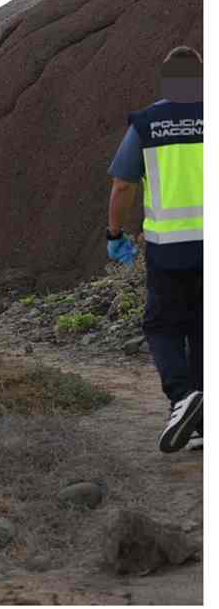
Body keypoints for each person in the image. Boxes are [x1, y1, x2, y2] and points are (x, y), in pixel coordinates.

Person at [109, 45, 203, 452]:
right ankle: (202, 420)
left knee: (162, 326)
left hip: (169, 249)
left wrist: (115, 235)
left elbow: (124, 185)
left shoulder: (147, 123)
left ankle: (183, 397)